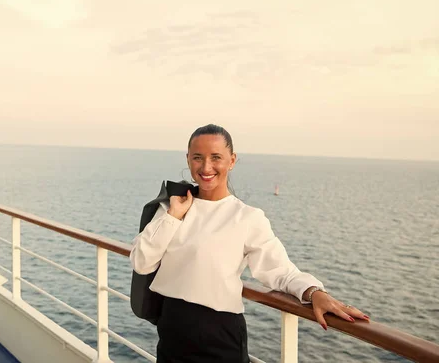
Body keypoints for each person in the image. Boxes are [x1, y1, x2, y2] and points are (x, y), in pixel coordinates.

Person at [130, 124, 369, 363]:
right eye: (197, 158)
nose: (206, 167)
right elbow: (141, 263)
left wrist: (315, 293)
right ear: (188, 160)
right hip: (172, 330)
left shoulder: (246, 217)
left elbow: (280, 271)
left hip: (219, 335)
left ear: (232, 160)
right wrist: (173, 216)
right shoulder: (171, 207)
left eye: (216, 158)